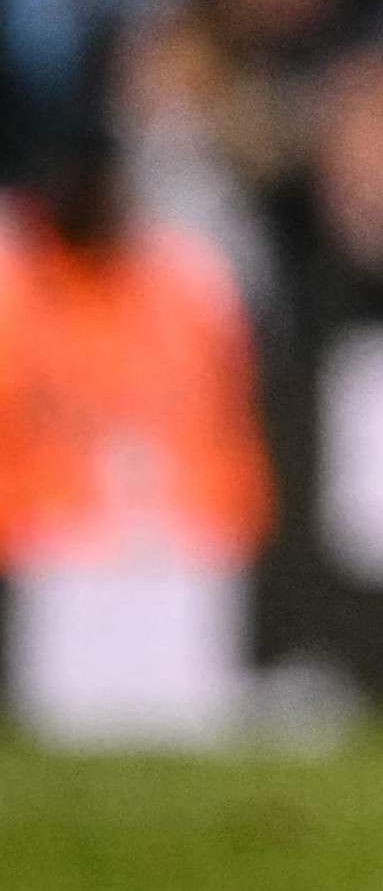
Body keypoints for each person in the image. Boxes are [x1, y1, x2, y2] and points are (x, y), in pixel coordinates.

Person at [0, 39, 271, 572]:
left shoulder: (189, 283)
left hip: (178, 557)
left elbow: (229, 450)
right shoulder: (13, 290)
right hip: (34, 565)